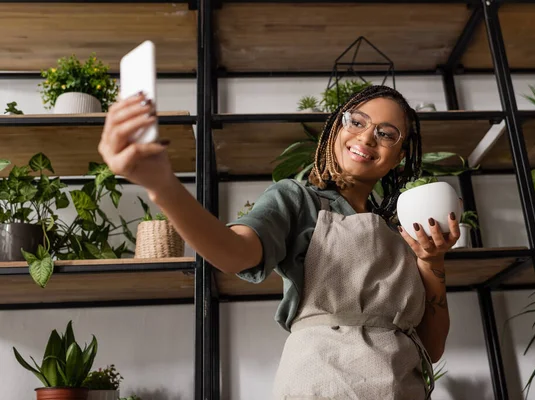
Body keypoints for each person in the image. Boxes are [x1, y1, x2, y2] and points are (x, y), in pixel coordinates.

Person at [98, 85, 458, 399]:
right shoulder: (296, 200)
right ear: (336, 129)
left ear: (400, 157)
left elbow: (432, 346)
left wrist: (433, 261)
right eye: (357, 122)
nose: (366, 138)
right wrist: (162, 186)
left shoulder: (400, 232)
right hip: (323, 383)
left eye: (386, 133)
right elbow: (233, 252)